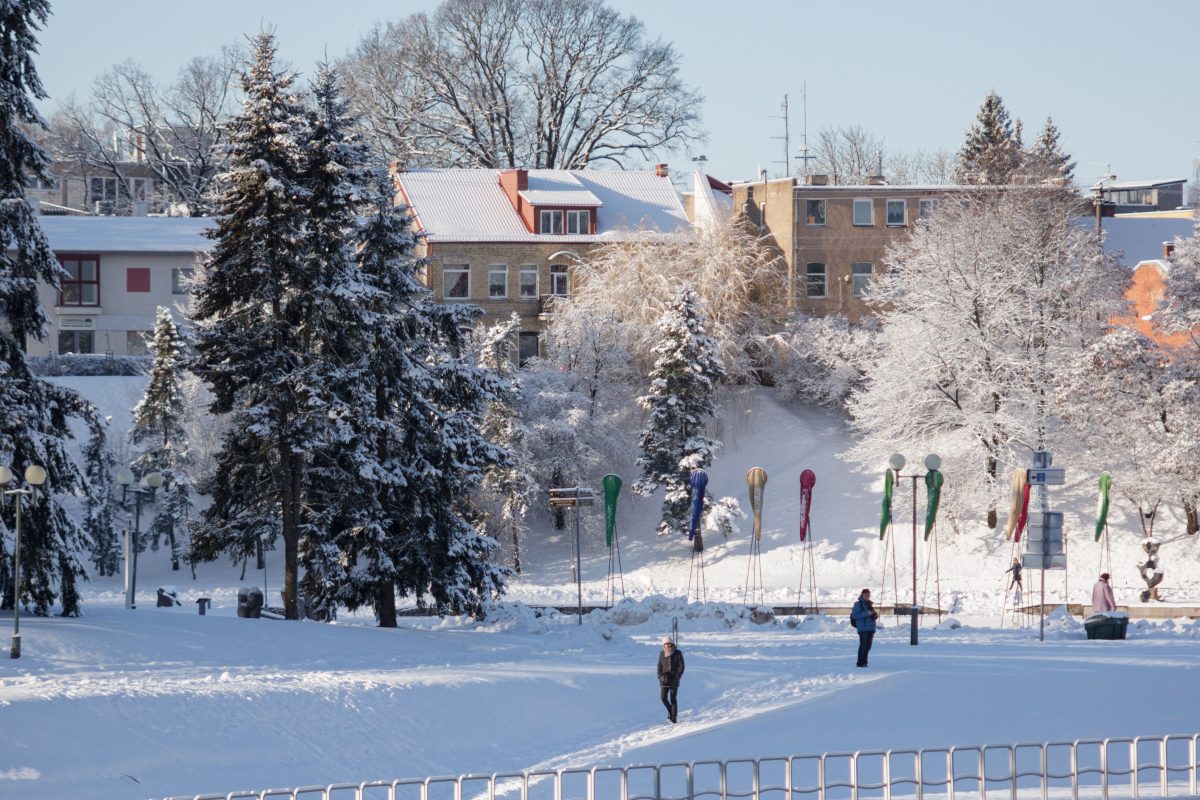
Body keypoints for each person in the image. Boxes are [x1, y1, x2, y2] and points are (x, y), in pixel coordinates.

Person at [657, 638, 685, 723]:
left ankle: (674, 717)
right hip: (664, 679)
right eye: (665, 644)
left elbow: (682, 666)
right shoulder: (662, 653)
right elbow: (659, 666)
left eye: (668, 643)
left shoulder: (678, 653)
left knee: (673, 698)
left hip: (674, 679)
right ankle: (670, 712)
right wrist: (660, 676)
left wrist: (677, 676)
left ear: (672, 643)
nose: (667, 645)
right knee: (663, 698)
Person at [851, 589, 879, 668]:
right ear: (862, 595)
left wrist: (875, 615)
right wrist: (867, 613)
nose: (867, 596)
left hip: (871, 628)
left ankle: (864, 662)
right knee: (863, 645)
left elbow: (871, 615)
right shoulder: (858, 604)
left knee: (868, 646)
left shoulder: (869, 604)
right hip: (863, 628)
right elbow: (855, 615)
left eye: (868, 595)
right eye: (865, 595)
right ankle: (860, 663)